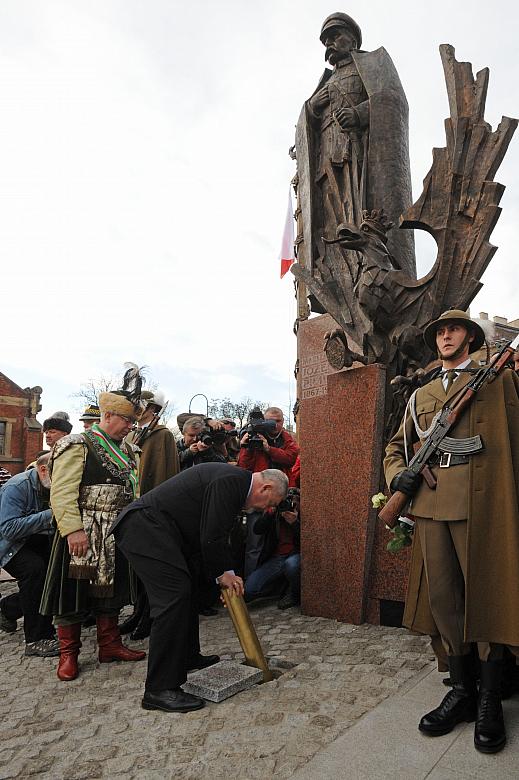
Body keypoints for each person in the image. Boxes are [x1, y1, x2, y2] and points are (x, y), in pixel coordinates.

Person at [384, 309, 519, 754]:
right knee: (444, 600)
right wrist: (398, 476)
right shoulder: (420, 393)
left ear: (470, 336)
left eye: (454, 329)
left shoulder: (494, 380)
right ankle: (462, 690)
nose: (445, 336)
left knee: (487, 592)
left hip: (481, 503)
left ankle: (490, 700)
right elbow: (396, 445)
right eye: (440, 331)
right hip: (430, 506)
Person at [111, 463, 288, 713]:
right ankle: (159, 689)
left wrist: (220, 576)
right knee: (173, 598)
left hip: (162, 533)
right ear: (266, 487)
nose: (268, 509)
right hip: (144, 528)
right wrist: (224, 574)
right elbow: (212, 535)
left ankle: (187, 656)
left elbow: (213, 534)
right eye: (272, 502)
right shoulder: (232, 482)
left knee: (190, 589)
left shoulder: (233, 482)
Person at [40, 382, 147, 682]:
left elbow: (134, 491)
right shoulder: (77, 444)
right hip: (83, 532)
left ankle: (110, 645)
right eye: (126, 420)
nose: (130, 426)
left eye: (132, 422)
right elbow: (61, 492)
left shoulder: (128, 451)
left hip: (114, 531)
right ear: (109, 415)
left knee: (110, 593)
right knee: (72, 594)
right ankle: (68, 654)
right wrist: (73, 530)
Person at [297, 12, 414, 278]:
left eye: (335, 36)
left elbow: (391, 99)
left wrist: (359, 114)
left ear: (353, 40)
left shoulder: (373, 63)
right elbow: (306, 123)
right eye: (326, 39)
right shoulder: (325, 82)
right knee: (331, 216)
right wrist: (312, 106)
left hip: (357, 152)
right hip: (326, 154)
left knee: (356, 207)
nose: (329, 44)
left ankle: (366, 264)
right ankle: (338, 266)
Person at [120, 388, 180, 640]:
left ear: (151, 408)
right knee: (136, 567)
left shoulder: (162, 435)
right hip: (133, 503)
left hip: (151, 507)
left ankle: (149, 615)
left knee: (151, 568)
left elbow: (164, 473)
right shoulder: (132, 433)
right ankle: (137, 612)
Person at [0, 453, 58, 656]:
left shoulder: (48, 483)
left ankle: (8, 608)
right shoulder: (17, 487)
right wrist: (52, 514)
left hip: (35, 538)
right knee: (36, 572)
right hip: (9, 545)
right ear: (44, 470)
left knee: (54, 572)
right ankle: (37, 639)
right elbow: (8, 529)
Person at [238, 407, 299, 576]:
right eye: (270, 421)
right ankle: (249, 583)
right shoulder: (254, 436)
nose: (274, 425)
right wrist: (246, 447)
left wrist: (268, 449)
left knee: (283, 541)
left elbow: (291, 457)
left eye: (278, 421)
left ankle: (275, 583)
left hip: (282, 495)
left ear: (283, 422)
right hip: (260, 496)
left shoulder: (288, 439)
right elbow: (243, 467)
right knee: (254, 545)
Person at [244, 489, 301, 610]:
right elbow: (257, 529)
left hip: (296, 555)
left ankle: (294, 594)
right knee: (249, 590)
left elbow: (310, 540)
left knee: (291, 565)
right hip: (278, 558)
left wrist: (295, 522)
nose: (287, 504)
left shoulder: (302, 512)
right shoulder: (275, 512)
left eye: (292, 500)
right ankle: (280, 586)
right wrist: (270, 513)